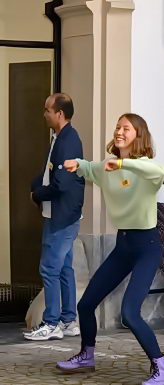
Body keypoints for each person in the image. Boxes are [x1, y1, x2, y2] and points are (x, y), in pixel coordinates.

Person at [56, 114, 164, 385]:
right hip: (124, 246)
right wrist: (77, 164)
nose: (119, 132)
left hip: (146, 247)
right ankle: (87, 355)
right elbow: (90, 168)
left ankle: (161, 368)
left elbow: (159, 172)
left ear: (138, 135)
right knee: (86, 305)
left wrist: (122, 163)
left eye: (126, 129)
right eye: (118, 127)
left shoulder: (144, 169)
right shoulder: (107, 167)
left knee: (129, 313)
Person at [24, 93, 85, 341]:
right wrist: (35, 187)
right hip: (59, 214)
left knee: (50, 268)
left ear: (59, 114)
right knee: (64, 269)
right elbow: (49, 174)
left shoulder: (68, 140)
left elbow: (61, 184)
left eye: (47, 110)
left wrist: (37, 194)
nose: (44, 114)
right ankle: (68, 321)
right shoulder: (60, 138)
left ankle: (51, 323)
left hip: (62, 216)